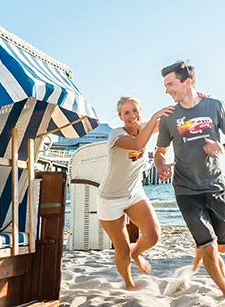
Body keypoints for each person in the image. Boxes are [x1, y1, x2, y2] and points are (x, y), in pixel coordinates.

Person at [154, 60, 225, 298]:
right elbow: (159, 152)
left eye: (170, 84)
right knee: (210, 248)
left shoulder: (215, 106)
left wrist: (223, 147)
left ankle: (200, 251)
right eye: (165, 85)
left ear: (187, 82)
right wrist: (161, 167)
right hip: (185, 190)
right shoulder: (168, 117)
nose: (167, 89)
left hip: (215, 187)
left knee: (220, 247)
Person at [99, 95, 173, 290]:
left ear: (140, 111)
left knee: (154, 235)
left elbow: (172, 121)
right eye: (126, 113)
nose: (132, 116)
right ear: (120, 116)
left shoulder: (145, 127)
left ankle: (136, 252)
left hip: (134, 193)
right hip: (110, 198)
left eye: (135, 111)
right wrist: (156, 117)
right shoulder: (116, 134)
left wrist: (193, 102)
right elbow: (137, 144)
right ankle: (129, 284)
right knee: (121, 248)